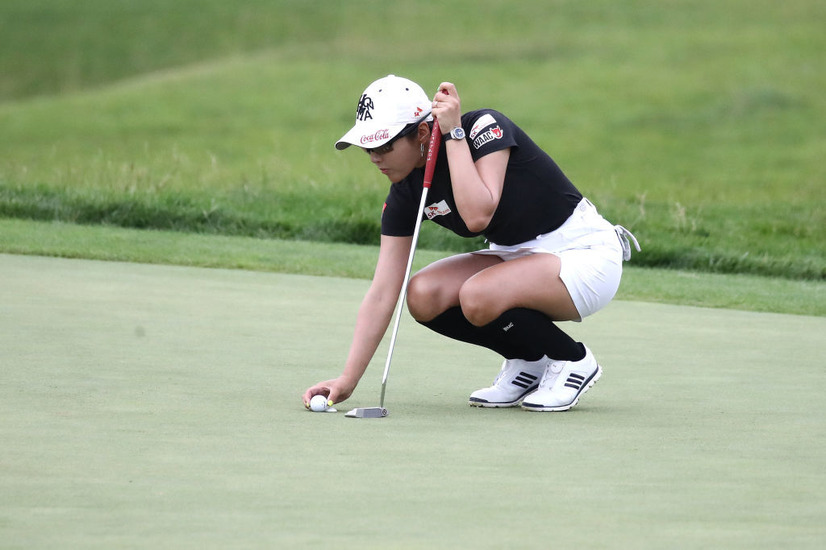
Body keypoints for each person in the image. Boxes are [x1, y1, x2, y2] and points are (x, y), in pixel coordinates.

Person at [302, 74, 639, 412]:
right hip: (516, 260)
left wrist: (453, 133)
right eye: (367, 148)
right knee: (423, 294)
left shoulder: (483, 128)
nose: (374, 157)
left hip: (584, 254)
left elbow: (478, 214)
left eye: (383, 146)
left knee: (478, 294)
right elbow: (383, 290)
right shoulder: (405, 193)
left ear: (422, 133)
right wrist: (348, 379)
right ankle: (530, 361)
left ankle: (572, 359)